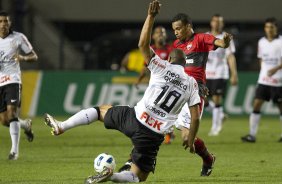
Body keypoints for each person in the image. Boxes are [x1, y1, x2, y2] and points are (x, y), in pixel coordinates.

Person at [44, 1, 201, 183]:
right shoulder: (192, 84)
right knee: (138, 176)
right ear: (185, 63)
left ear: (170, 59)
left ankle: (62, 126)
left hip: (135, 119)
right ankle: (113, 176)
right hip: (153, 135)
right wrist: (190, 139)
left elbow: (143, 44)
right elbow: (195, 117)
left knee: (100, 111)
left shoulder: (162, 67)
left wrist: (151, 16)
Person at [171, 13, 233, 175]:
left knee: (186, 137)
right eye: (174, 29)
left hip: (195, 90)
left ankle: (207, 159)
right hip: (177, 91)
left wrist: (224, 42)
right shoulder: (176, 44)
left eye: (178, 28)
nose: (176, 32)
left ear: (187, 27)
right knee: (149, 122)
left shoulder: (201, 38)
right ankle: (133, 161)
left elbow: (219, 43)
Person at [0, 11, 37, 160]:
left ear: (10, 23)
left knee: (12, 113)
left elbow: (34, 56)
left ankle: (14, 151)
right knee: (4, 120)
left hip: (13, 80)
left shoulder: (18, 37)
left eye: (6, 21)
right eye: (1, 21)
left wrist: (22, 57)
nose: (3, 24)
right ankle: (25, 125)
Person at [241, 17, 282, 143]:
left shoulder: (281, 42)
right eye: (267, 27)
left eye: (272, 27)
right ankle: (252, 135)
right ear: (265, 28)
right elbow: (261, 58)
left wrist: (276, 69)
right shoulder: (261, 42)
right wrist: (263, 71)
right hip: (264, 80)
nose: (269, 30)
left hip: (279, 81)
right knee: (257, 104)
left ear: (276, 28)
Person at [205, 14, 238, 136]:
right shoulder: (206, 36)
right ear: (211, 22)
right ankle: (221, 115)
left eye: (220, 22)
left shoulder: (226, 37)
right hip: (206, 73)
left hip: (220, 72)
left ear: (222, 24)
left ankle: (215, 127)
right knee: (202, 99)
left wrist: (234, 74)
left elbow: (230, 56)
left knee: (217, 99)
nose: (217, 24)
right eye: (215, 21)